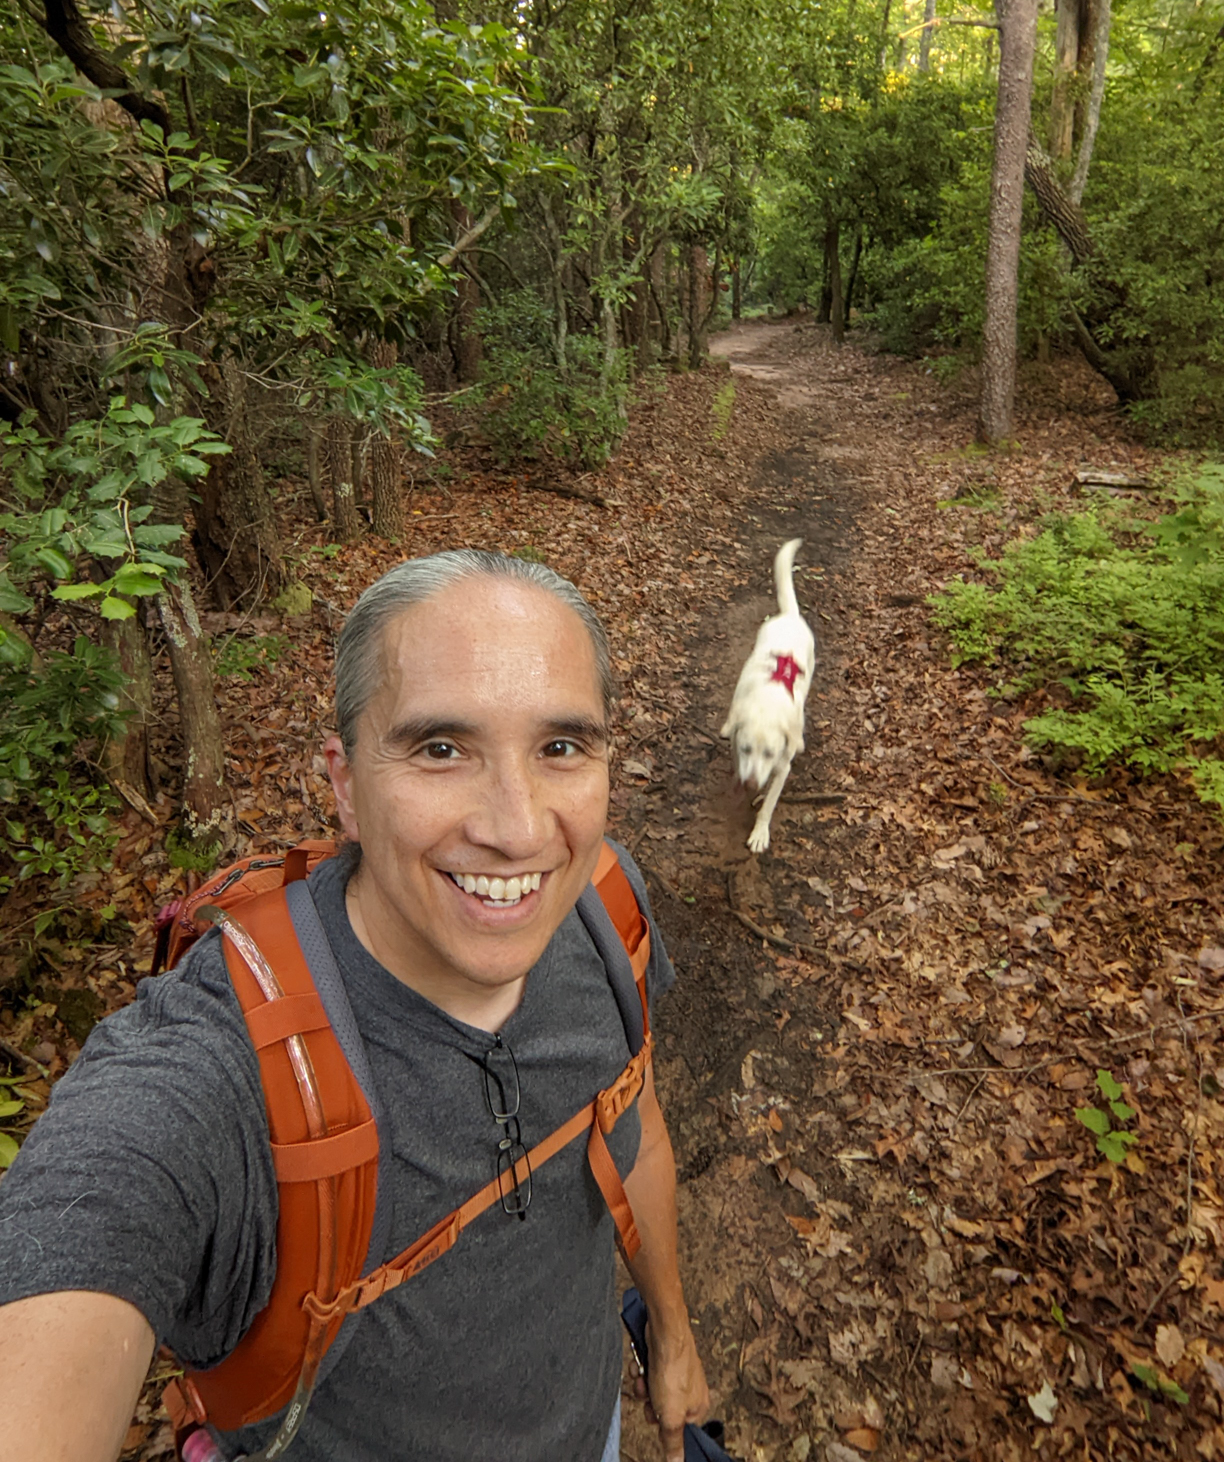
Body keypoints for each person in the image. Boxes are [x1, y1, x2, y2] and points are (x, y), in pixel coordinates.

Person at [0, 550, 710, 1462]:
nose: (520, 827)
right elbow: (83, 1231)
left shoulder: (604, 913)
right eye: (441, 749)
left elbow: (632, 1117)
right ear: (343, 783)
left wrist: (673, 1333)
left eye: (560, 747)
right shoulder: (217, 1073)